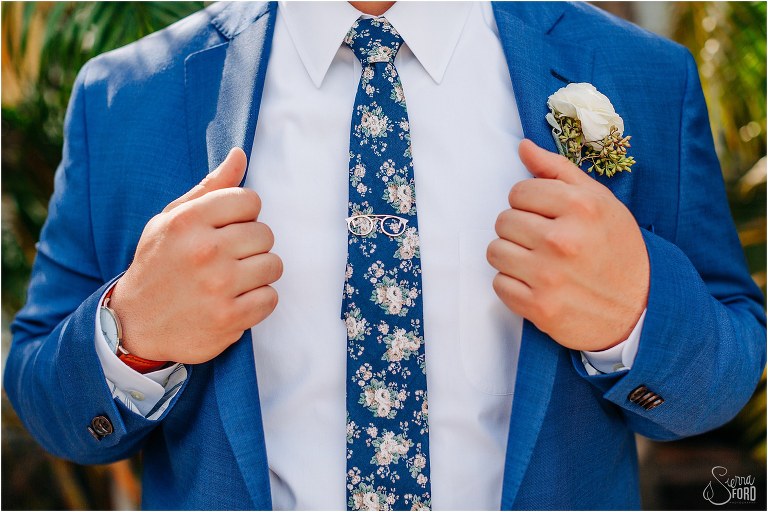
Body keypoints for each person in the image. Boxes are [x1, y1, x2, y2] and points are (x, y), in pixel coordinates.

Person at [5, 1, 765, 510]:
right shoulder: (125, 97)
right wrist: (131, 335)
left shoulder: (642, 76)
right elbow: (52, 404)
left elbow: (723, 375)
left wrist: (637, 310)